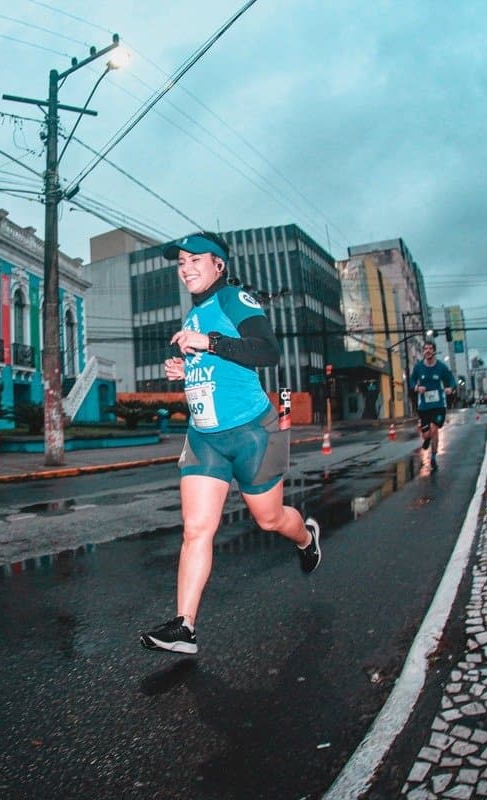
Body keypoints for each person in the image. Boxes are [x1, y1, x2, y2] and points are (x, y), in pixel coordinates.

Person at [139, 231, 320, 655]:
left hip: (253, 431)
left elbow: (267, 351)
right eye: (180, 262)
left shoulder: (235, 300)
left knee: (269, 519)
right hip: (205, 437)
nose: (184, 268)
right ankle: (185, 628)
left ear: (219, 265)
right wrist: (183, 369)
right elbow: (214, 368)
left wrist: (210, 343)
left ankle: (306, 538)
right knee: (196, 530)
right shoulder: (192, 317)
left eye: (193, 260)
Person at [408, 339, 455, 471]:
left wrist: (450, 388)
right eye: (425, 349)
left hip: (439, 405)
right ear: (423, 352)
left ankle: (433, 457)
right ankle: (427, 439)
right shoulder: (418, 367)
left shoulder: (441, 367)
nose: (428, 351)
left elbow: (451, 379)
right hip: (424, 407)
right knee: (426, 434)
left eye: (430, 348)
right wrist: (417, 387)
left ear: (434, 351)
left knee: (434, 428)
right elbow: (411, 381)